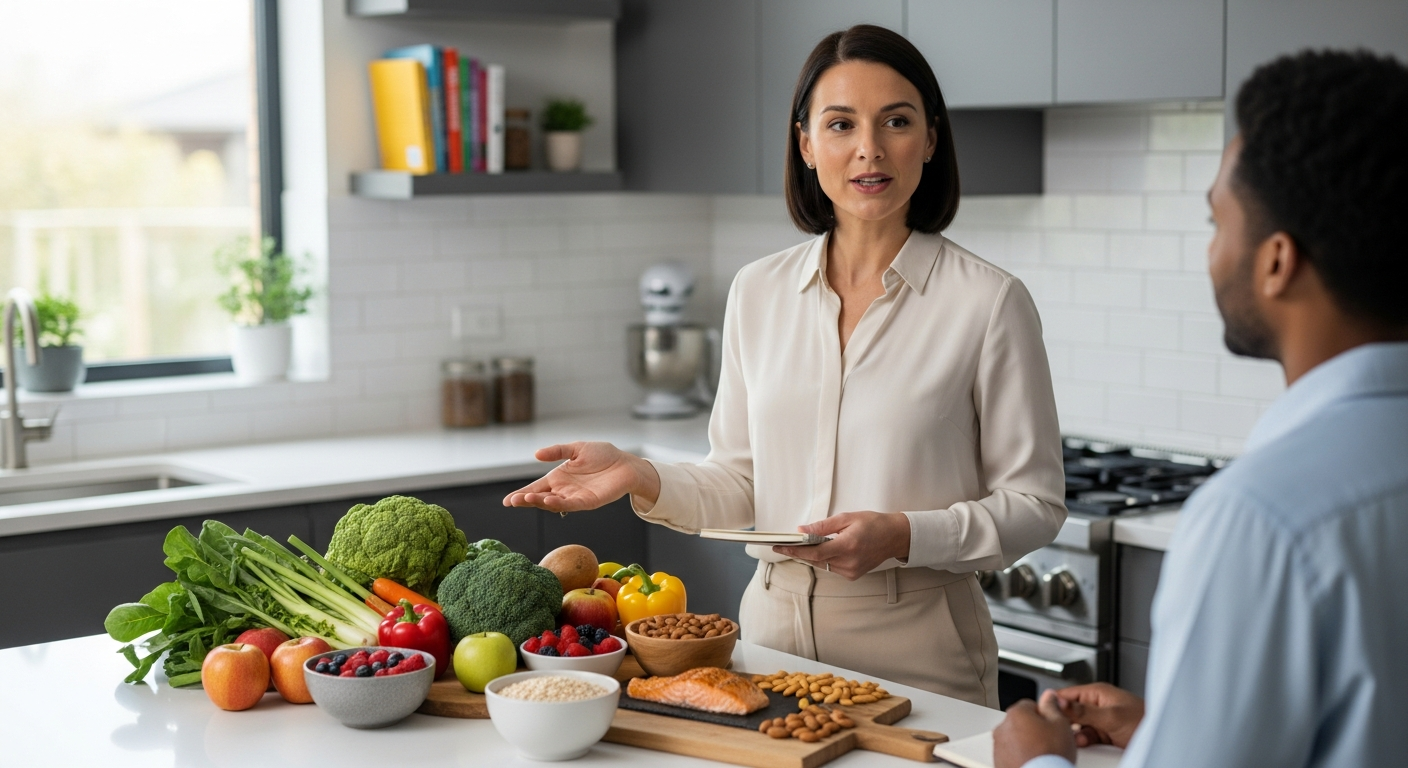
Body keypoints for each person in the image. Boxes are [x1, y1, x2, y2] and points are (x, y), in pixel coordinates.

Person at [503, 25, 1066, 707]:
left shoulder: (989, 302)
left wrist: (904, 535)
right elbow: (738, 479)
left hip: (920, 644)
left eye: (896, 121)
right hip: (769, 634)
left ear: (931, 139)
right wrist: (638, 475)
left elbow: (1035, 506)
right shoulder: (758, 290)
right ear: (805, 144)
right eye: (840, 124)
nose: (869, 148)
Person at [994, 49, 1408, 768]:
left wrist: (1035, 761)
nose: (1213, 252)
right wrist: (1170, 727)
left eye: (1218, 221)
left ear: (1277, 261)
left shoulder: (1261, 520)